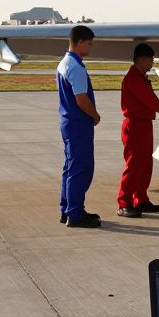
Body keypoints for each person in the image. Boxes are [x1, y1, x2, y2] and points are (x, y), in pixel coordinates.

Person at [116, 43, 159, 218]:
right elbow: (156, 105)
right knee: (134, 165)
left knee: (145, 164)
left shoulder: (139, 77)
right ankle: (124, 203)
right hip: (135, 126)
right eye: (151, 60)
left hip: (144, 124)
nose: (152, 63)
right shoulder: (134, 80)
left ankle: (140, 199)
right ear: (142, 59)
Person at [57, 25, 101, 228]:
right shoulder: (76, 67)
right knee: (81, 169)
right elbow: (81, 98)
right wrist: (94, 115)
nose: (91, 47)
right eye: (90, 43)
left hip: (68, 122)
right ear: (81, 42)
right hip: (78, 124)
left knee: (70, 168)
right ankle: (75, 214)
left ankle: (68, 209)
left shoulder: (64, 63)